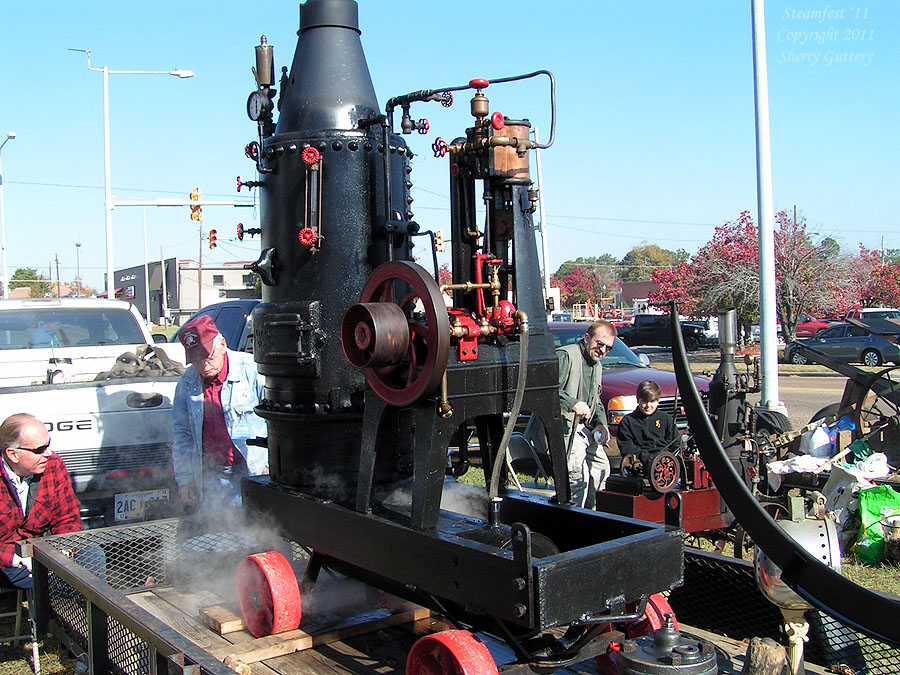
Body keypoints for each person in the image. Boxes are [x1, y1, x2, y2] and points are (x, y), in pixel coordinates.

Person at [173, 315, 267, 511]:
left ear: (222, 345)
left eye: (208, 357)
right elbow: (182, 434)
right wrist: (185, 480)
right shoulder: (187, 383)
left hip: (254, 471)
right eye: (196, 361)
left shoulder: (252, 370)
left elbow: (276, 422)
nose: (204, 366)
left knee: (261, 533)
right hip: (213, 475)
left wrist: (271, 465)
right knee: (222, 534)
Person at [0, 413, 83, 590]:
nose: (48, 453)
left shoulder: (53, 465)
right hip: (6, 561)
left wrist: (62, 550)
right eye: (39, 449)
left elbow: (68, 518)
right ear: (12, 454)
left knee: (91, 557)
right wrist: (16, 558)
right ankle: (48, 615)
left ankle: (94, 614)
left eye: (48, 445)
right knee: (51, 582)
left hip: (42, 552)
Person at [557, 319, 616, 509]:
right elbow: (546, 391)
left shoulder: (596, 365)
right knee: (578, 477)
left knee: (602, 469)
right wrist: (572, 403)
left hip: (583, 430)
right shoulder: (566, 356)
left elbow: (596, 401)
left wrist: (601, 424)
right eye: (600, 344)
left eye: (608, 348)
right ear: (587, 338)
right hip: (560, 430)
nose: (603, 350)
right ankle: (574, 517)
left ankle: (594, 515)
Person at [616, 380, 679, 471]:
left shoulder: (666, 419)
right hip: (641, 464)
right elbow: (627, 447)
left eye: (652, 401)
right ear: (638, 400)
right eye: (644, 401)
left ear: (658, 401)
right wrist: (647, 458)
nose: (648, 405)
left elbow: (675, 444)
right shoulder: (628, 422)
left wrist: (665, 460)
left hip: (666, 465)